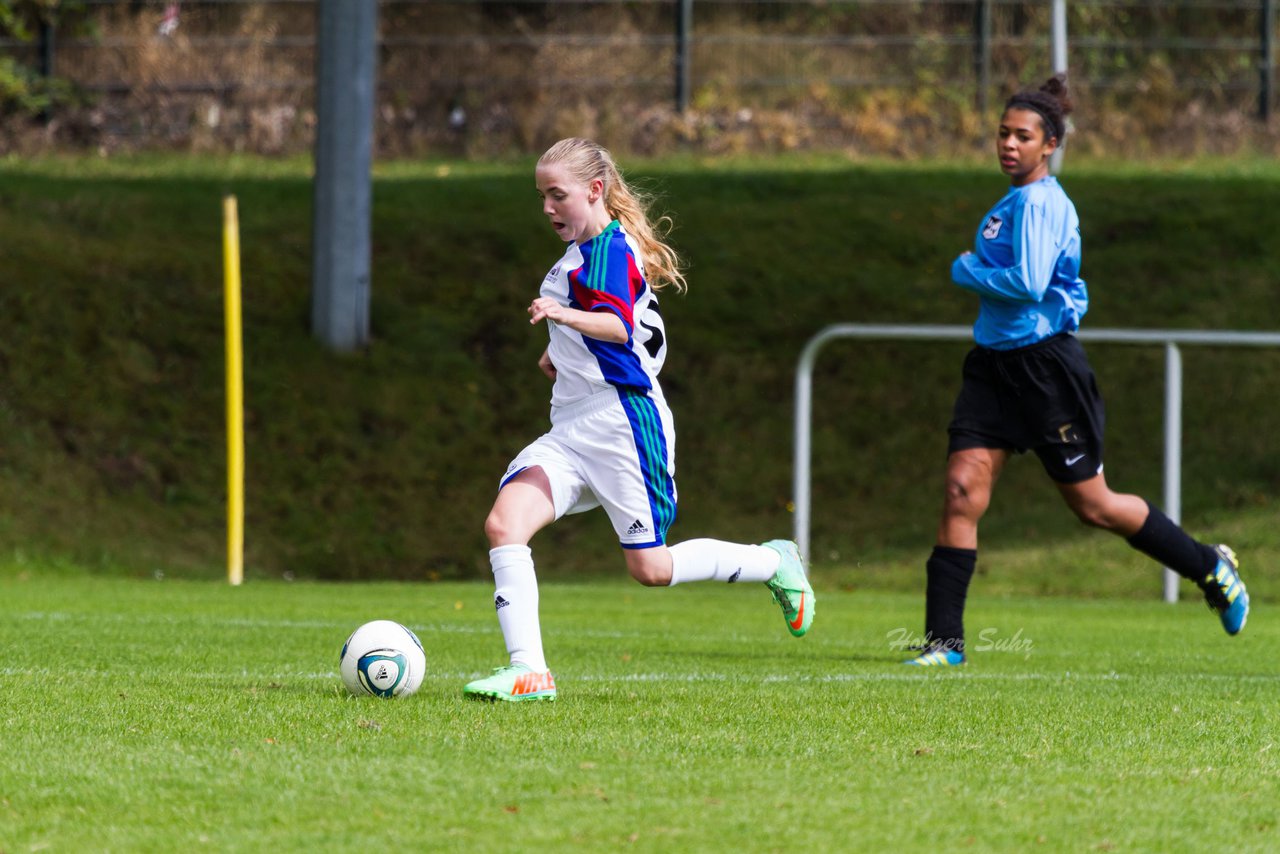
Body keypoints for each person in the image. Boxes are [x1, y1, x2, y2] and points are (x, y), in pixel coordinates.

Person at [905, 75, 1249, 667]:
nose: (1009, 144)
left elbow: (1029, 285)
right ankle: (945, 645)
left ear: (1050, 145)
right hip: (992, 369)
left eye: (1023, 136)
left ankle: (1209, 568)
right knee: (960, 492)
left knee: (1094, 505)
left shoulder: (1043, 204)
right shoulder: (1013, 201)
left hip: (1045, 370)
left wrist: (965, 272)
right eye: (1003, 133)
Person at [464, 137, 814, 701]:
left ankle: (772, 560)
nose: (548, 208)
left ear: (594, 190)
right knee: (505, 525)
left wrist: (562, 315)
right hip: (571, 426)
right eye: (541, 196)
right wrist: (560, 347)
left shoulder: (608, 250)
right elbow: (607, 329)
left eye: (558, 195)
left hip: (622, 423)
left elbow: (619, 327)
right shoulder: (584, 253)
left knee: (650, 569)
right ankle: (529, 671)